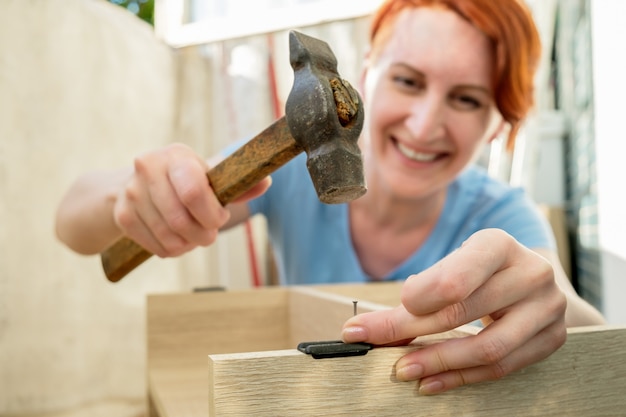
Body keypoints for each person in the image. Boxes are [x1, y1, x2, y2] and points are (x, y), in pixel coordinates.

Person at [56, 0, 605, 395]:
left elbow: (584, 325)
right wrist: (125, 199)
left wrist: (554, 308)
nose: (424, 123)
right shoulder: (287, 173)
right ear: (365, 74)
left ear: (496, 125)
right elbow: (70, 223)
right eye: (409, 82)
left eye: (465, 99)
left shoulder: (502, 214)